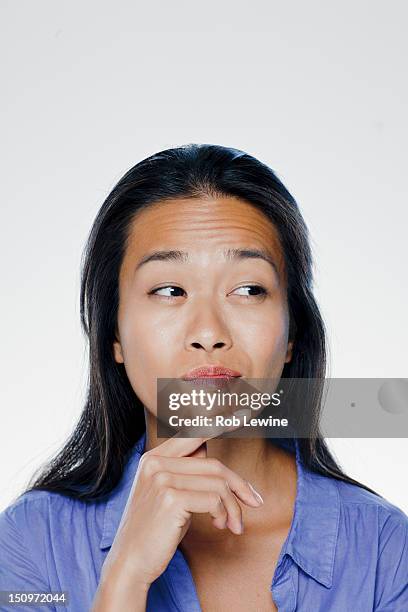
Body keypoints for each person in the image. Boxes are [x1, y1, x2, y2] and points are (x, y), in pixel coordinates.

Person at [0, 144, 407, 611]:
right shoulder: (31, 543)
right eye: (170, 290)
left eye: (249, 289)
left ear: (293, 332)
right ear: (114, 334)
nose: (209, 333)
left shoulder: (386, 553)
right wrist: (125, 578)